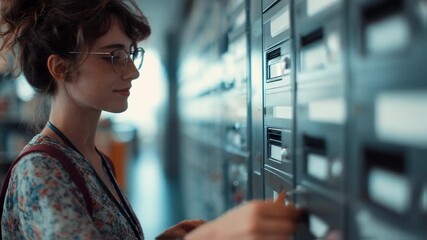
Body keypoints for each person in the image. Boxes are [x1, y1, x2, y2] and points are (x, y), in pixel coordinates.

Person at [0, 0, 303, 239]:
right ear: (61, 68)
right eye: (114, 56)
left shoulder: (93, 158)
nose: (133, 71)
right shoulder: (39, 173)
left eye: (131, 54)